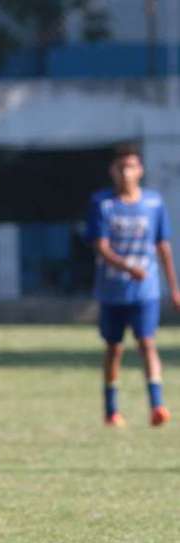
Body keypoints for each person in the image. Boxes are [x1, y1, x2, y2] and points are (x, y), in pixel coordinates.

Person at [85, 144, 179, 428]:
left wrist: (173, 287)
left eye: (131, 166)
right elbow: (100, 246)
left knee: (147, 343)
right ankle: (112, 410)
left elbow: (163, 246)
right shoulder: (102, 204)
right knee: (114, 349)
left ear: (141, 170)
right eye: (121, 167)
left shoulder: (153, 203)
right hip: (113, 291)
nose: (126, 173)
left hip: (145, 292)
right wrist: (128, 268)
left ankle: (157, 406)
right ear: (113, 171)